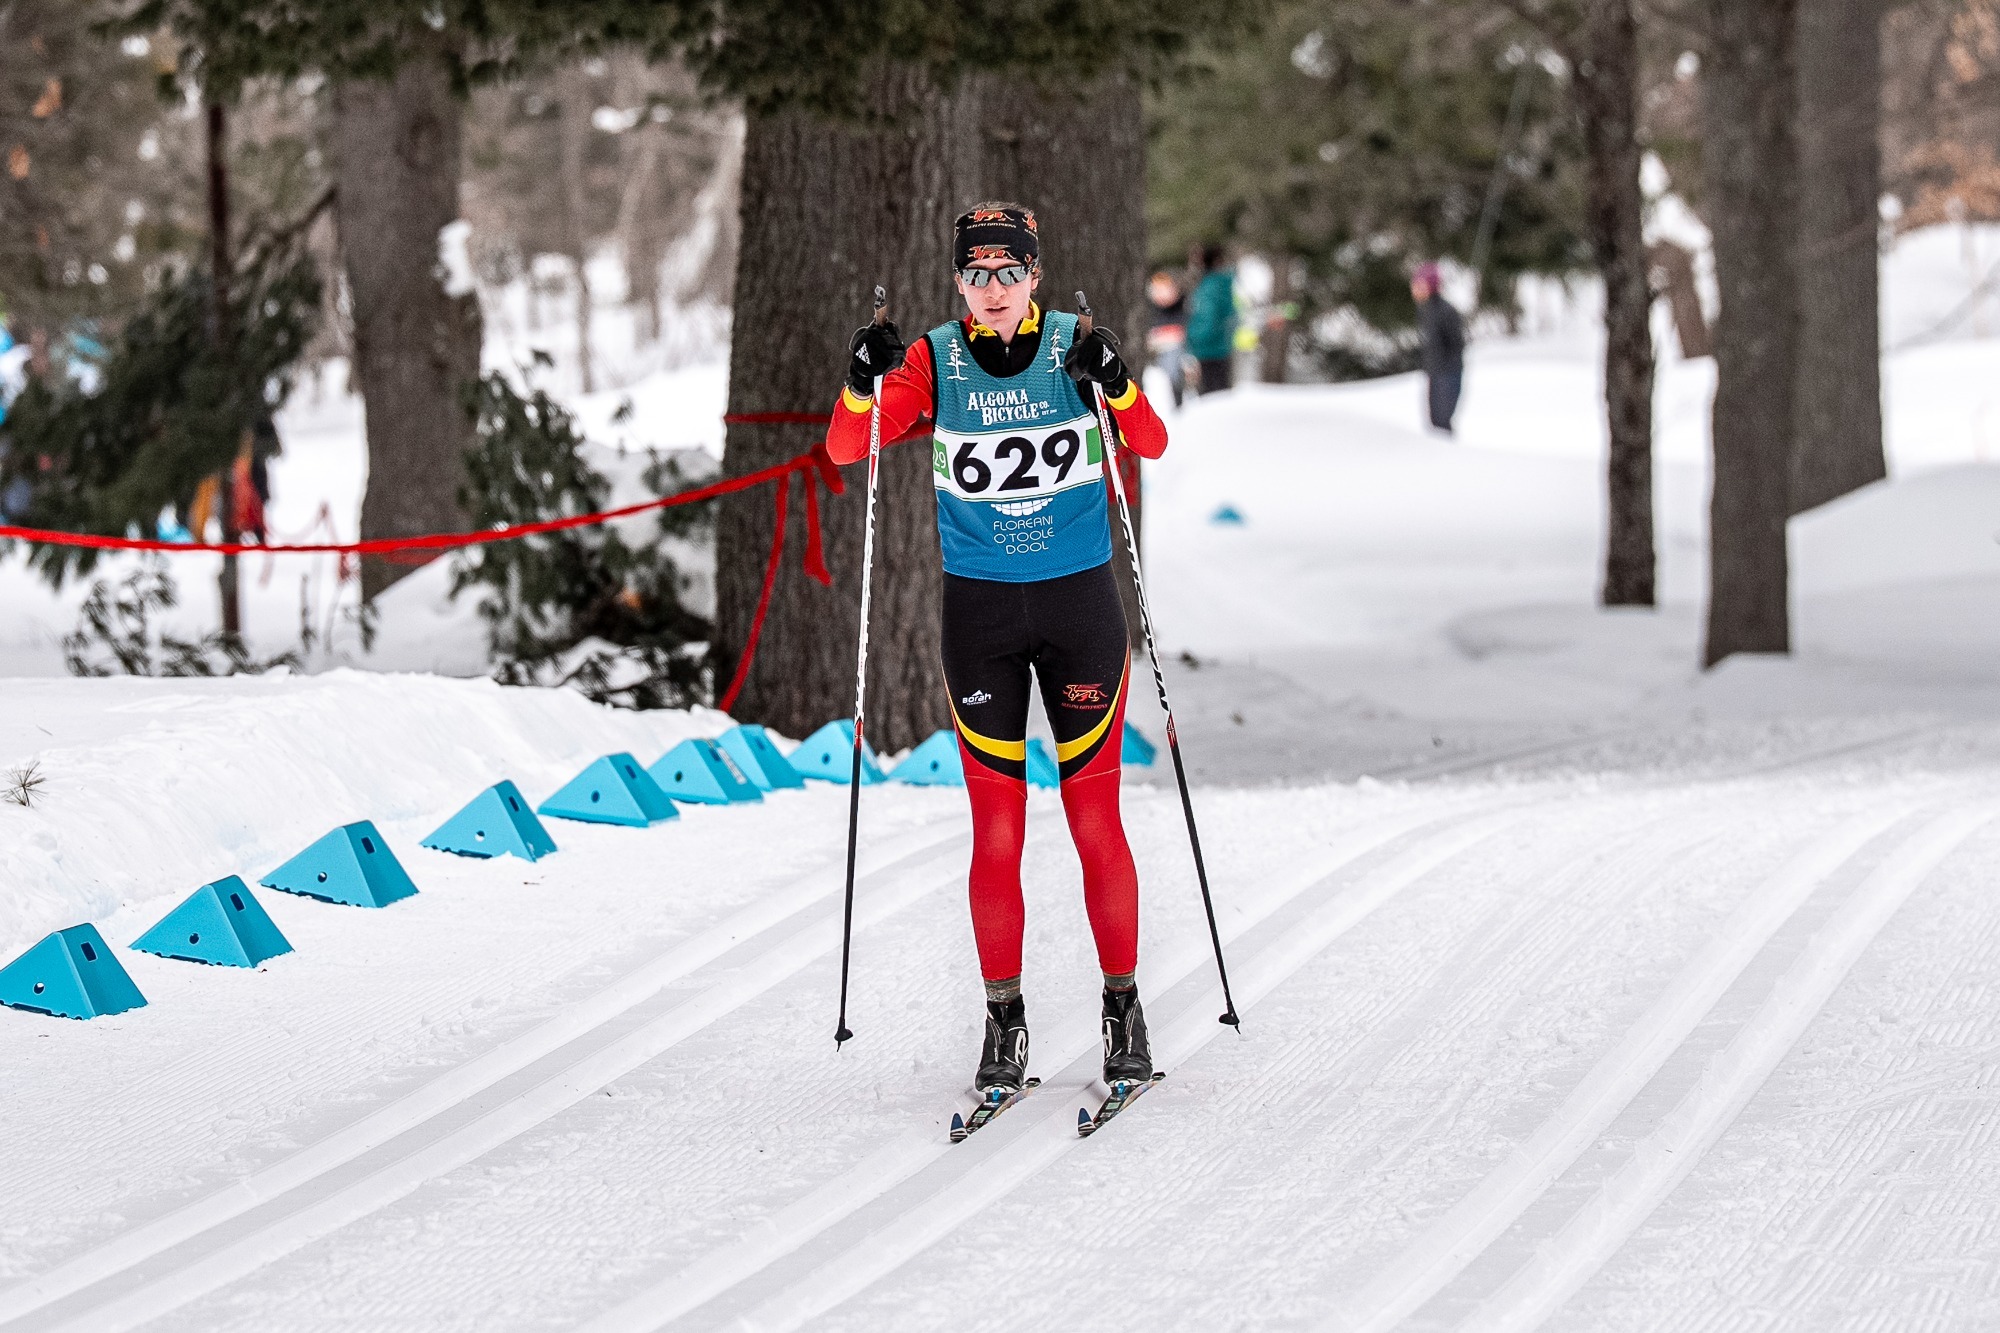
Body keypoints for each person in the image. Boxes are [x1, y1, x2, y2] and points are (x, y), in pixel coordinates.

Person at [824, 202, 1170, 1099]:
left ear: (1035, 276)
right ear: (957, 282)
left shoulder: (1074, 347)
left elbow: (1151, 442)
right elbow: (845, 447)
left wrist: (1117, 381)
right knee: (997, 830)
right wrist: (860, 381)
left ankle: (1123, 1009)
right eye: (976, 274)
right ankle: (1004, 1021)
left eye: (1009, 272)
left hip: (1080, 611)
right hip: (980, 620)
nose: (994, 289)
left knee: (1095, 820)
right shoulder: (934, 359)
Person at [1411, 262, 1466, 434]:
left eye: (1420, 285)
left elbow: (1457, 343)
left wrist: (1444, 365)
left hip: (1448, 374)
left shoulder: (1445, 310)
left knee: (1442, 423)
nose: (1415, 289)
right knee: (1433, 423)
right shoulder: (1425, 310)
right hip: (1434, 373)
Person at [1184, 245, 1236, 395]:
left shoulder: (1210, 287)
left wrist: (1192, 339)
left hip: (1209, 351)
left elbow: (1208, 319)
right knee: (1218, 395)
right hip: (1219, 348)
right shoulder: (1220, 283)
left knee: (1212, 398)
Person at [1145, 270, 1188, 408]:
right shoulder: (1149, 311)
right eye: (1157, 290)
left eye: (1165, 290)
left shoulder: (1184, 307)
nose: (1161, 295)